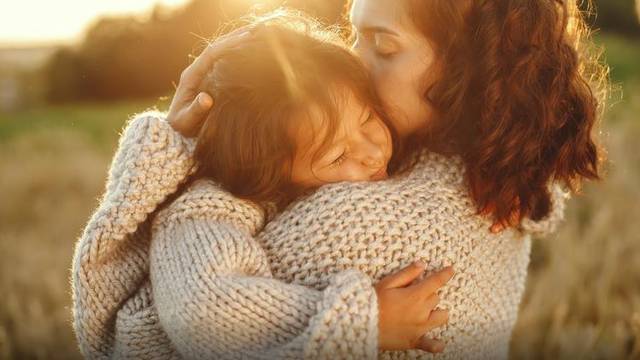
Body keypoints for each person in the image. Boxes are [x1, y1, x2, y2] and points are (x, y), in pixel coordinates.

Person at [72, 0, 606, 358]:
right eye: (355, 35)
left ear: (473, 62)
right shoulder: (507, 185)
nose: (353, 63)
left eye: (385, 45)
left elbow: (130, 336)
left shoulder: (352, 223)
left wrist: (171, 152)